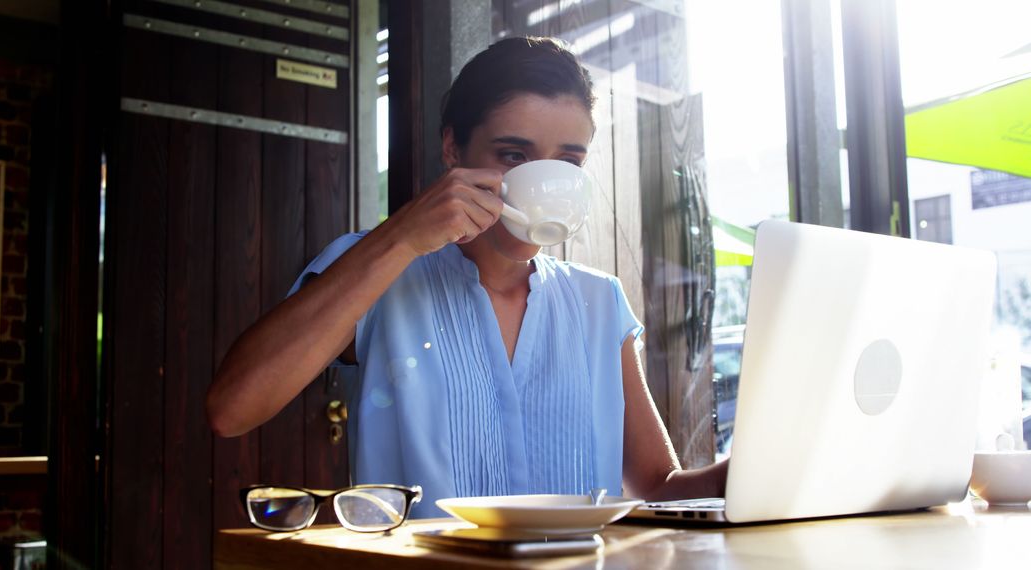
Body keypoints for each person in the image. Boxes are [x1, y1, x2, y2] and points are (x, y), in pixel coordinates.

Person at [207, 36, 726, 517]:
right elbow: (232, 409)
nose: (540, 180)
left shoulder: (600, 302)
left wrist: (743, 477)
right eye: (514, 156)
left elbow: (656, 485)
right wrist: (403, 237)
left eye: (568, 161)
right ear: (453, 149)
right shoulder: (381, 269)